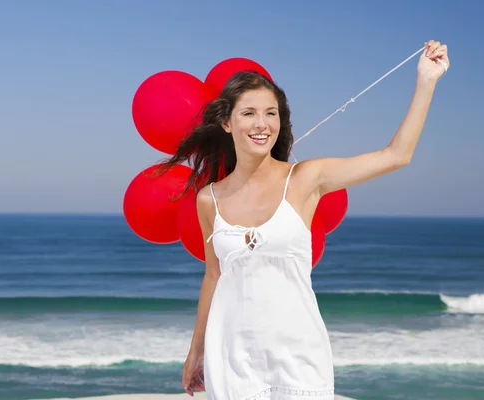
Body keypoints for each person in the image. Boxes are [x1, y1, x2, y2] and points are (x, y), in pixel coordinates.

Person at [161, 40, 449, 399]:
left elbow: (396, 155)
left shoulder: (306, 179)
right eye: (249, 113)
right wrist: (196, 350)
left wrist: (427, 80)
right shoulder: (209, 199)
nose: (262, 124)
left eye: (271, 113)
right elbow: (214, 276)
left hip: (298, 354)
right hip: (232, 356)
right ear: (226, 122)